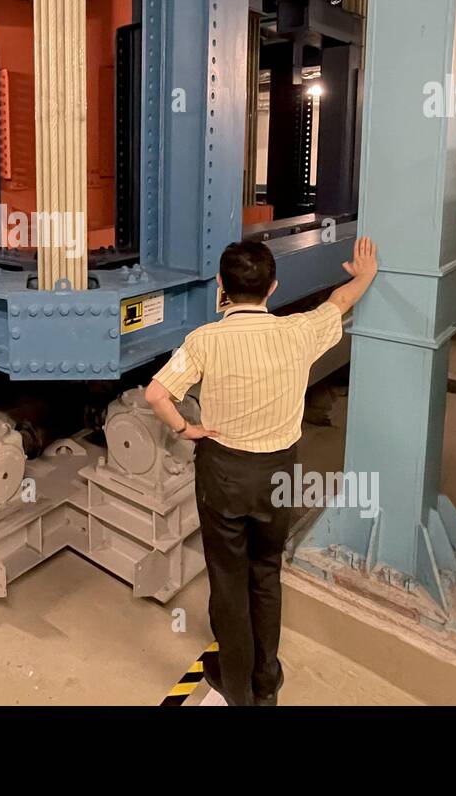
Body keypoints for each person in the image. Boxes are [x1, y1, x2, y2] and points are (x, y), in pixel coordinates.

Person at [145, 235, 379, 706]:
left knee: (228, 581)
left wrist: (186, 430)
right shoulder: (298, 331)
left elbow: (156, 395)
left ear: (221, 287)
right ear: (273, 287)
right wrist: (366, 274)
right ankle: (265, 680)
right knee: (266, 572)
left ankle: (237, 687)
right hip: (278, 473)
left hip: (224, 473)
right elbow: (339, 301)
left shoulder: (204, 341)